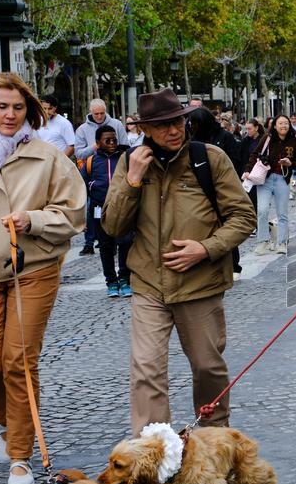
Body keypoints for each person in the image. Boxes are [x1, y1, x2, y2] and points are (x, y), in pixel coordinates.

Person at [102, 87, 256, 436]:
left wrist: (205, 248)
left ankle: (214, 438)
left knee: (207, 366)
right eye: (162, 125)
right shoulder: (130, 163)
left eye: (178, 122)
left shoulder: (209, 159)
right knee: (147, 370)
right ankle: (155, 449)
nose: (173, 130)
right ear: (145, 129)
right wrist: (132, 181)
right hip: (149, 284)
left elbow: (244, 217)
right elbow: (112, 227)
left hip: (200, 283)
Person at [0, 74, 86, 484]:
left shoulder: (48, 157)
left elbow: (74, 214)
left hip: (33, 269)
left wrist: (33, 220)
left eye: (18, 107)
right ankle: (8, 422)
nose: (10, 114)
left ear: (29, 111)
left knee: (18, 360)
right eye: (1, 106)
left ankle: (20, 455)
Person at [81, 126, 133, 297]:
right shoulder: (91, 162)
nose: (112, 143)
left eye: (114, 140)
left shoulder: (125, 158)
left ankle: (125, 278)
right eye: (107, 140)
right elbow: (81, 188)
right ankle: (111, 281)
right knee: (105, 246)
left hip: (122, 209)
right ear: (98, 143)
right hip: (99, 209)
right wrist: (81, 218)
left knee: (125, 243)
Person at [243, 114, 296, 255]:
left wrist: (290, 163)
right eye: (280, 123)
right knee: (262, 211)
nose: (283, 126)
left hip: (282, 179)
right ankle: (263, 241)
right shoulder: (267, 138)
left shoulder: (293, 141)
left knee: (282, 213)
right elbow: (255, 154)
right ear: (275, 126)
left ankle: (282, 243)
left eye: (286, 123)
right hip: (265, 179)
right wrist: (247, 170)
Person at [76, 99, 127, 255]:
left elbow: (126, 146)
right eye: (96, 114)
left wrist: (112, 148)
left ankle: (116, 242)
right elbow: (79, 153)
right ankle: (89, 242)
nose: (99, 116)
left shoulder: (117, 125)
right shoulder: (82, 129)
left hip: (115, 168)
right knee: (92, 210)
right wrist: (96, 147)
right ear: (91, 112)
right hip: (94, 170)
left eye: (101, 113)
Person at [189, 106, 243, 175]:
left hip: (223, 176)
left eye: (194, 124)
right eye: (191, 123)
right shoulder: (193, 139)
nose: (191, 126)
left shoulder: (225, 136)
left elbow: (235, 161)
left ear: (202, 123)